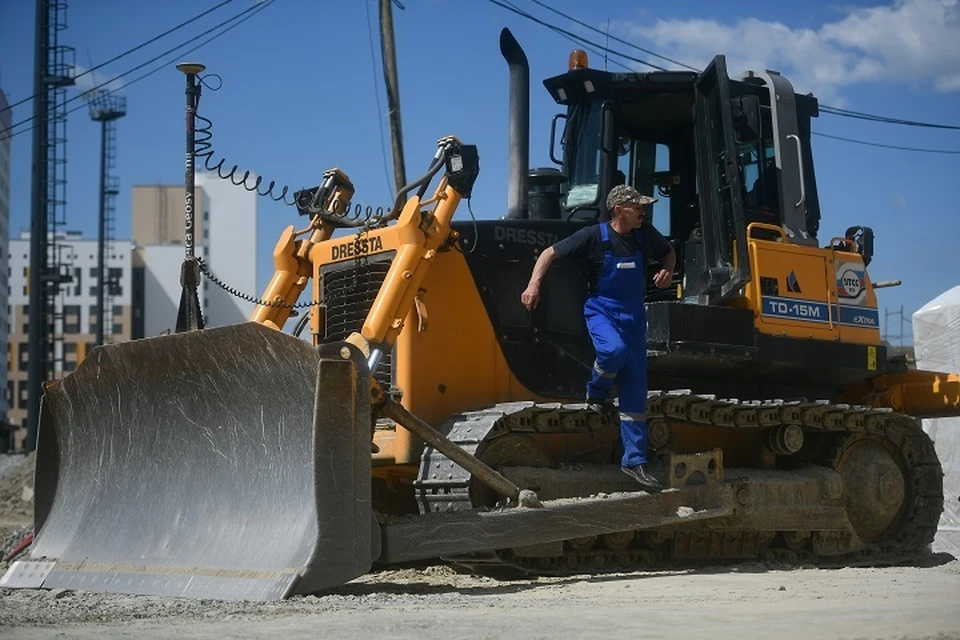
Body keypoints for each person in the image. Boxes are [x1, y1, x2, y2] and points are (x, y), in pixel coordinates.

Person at [520, 185, 676, 489]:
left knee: (635, 394)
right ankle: (596, 390)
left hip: (634, 318)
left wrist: (668, 271)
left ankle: (635, 462)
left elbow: (668, 253)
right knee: (613, 352)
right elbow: (549, 253)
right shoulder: (594, 236)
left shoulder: (646, 234)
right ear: (619, 210)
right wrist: (533, 285)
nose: (644, 210)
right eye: (638, 206)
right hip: (602, 311)